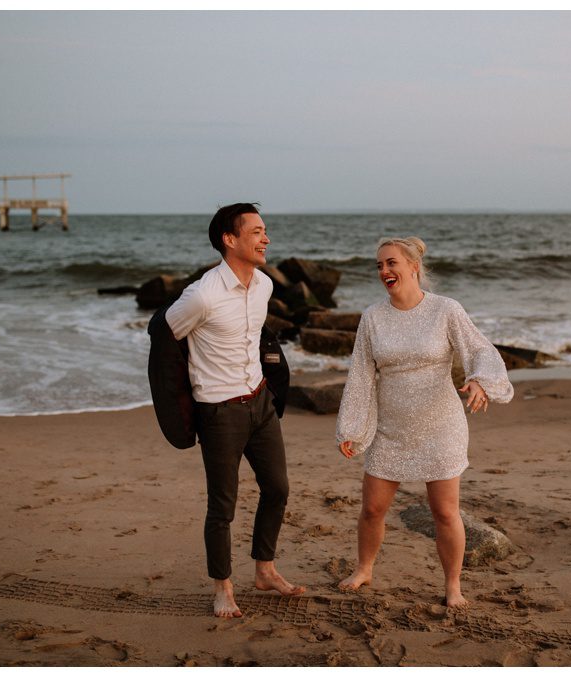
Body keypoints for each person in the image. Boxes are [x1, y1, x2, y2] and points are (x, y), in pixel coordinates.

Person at [334, 237, 512, 609]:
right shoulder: (372, 317)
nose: (384, 271)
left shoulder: (445, 310)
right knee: (372, 509)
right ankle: (364, 568)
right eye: (380, 265)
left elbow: (479, 348)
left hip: (440, 424)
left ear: (414, 267)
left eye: (392, 263)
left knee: (445, 512)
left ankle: (453, 585)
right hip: (391, 427)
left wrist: (480, 379)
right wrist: (352, 426)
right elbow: (362, 375)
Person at [164, 202, 305, 619]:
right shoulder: (202, 295)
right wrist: (181, 405)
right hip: (220, 411)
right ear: (230, 239)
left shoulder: (263, 285)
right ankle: (222, 587)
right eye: (257, 231)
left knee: (277, 488)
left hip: (259, 401)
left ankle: (265, 570)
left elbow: (259, 338)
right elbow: (165, 336)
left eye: (266, 231)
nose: (266, 239)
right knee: (222, 507)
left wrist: (274, 382)